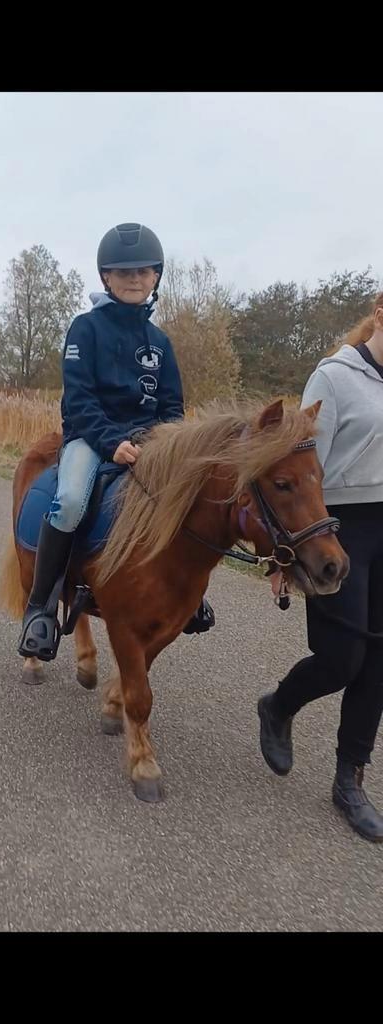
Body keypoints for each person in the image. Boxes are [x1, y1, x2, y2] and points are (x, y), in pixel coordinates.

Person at [18, 222, 215, 662]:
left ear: (156, 278)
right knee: (69, 501)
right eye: (123, 272)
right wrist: (112, 443)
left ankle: (190, 596)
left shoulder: (160, 343)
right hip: (91, 438)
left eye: (143, 272)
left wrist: (166, 447)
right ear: (106, 277)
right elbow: (81, 401)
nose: (133, 279)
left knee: (188, 495)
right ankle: (41, 609)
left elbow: (171, 408)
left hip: (150, 444)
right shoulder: (84, 330)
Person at [257, 292, 383, 842]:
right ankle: (278, 706)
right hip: (335, 527)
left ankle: (349, 780)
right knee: (342, 658)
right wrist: (282, 554)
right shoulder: (333, 378)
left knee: (378, 663)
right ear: (380, 315)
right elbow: (299, 471)